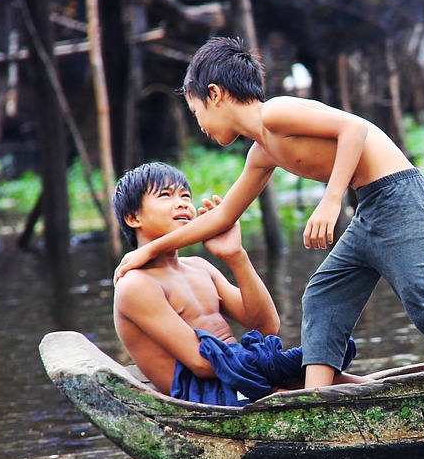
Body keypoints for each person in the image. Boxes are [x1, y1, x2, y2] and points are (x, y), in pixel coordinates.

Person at [114, 37, 424, 389]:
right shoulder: (261, 153)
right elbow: (220, 218)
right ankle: (318, 398)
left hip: (397, 194)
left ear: (215, 94)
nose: (198, 124)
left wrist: (332, 200)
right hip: (370, 205)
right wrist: (148, 250)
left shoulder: (276, 113)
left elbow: (354, 129)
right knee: (322, 296)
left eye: (195, 110)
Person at [111, 161, 364, 406]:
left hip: (240, 374)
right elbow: (201, 364)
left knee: (347, 380)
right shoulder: (136, 284)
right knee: (333, 384)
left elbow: (267, 325)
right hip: (208, 393)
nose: (182, 204)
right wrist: (271, 366)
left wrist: (236, 255)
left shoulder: (200, 267)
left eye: (185, 195)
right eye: (166, 195)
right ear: (133, 218)